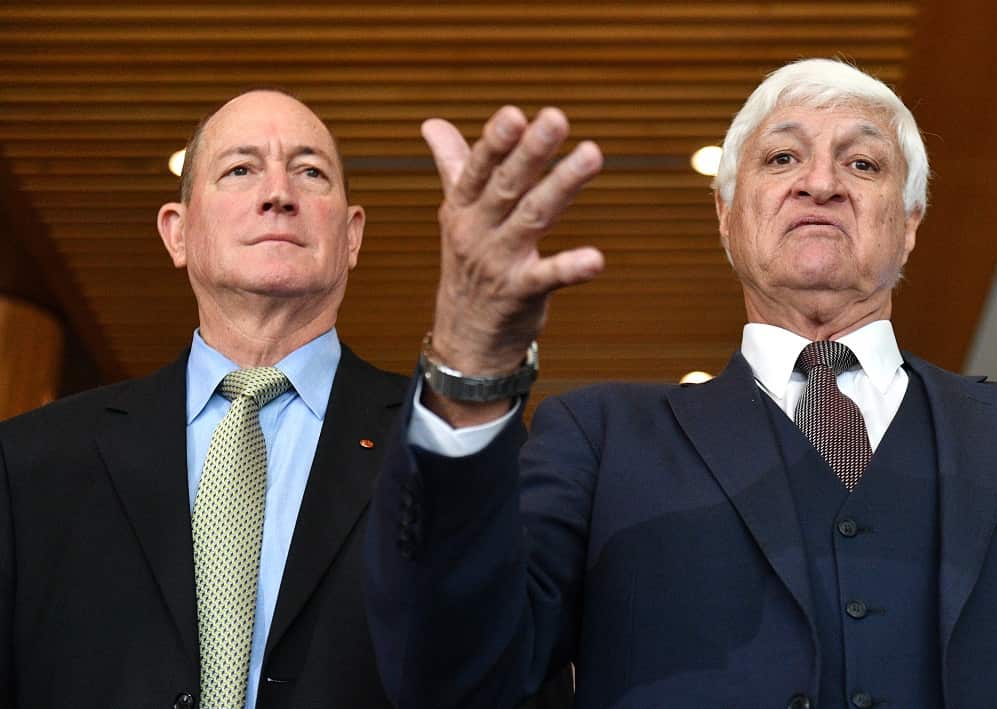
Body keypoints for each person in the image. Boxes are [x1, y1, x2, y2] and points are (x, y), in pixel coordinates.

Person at [365, 59, 997, 708]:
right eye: (782, 157)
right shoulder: (601, 438)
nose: (822, 182)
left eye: (862, 163)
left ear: (911, 223)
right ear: (725, 215)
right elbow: (453, 674)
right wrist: (471, 358)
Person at [0, 90, 571, 709]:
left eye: (310, 172)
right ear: (178, 232)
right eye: (240, 170)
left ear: (352, 236)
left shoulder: (454, 442)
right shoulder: (32, 460)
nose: (279, 194)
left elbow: (500, 666)